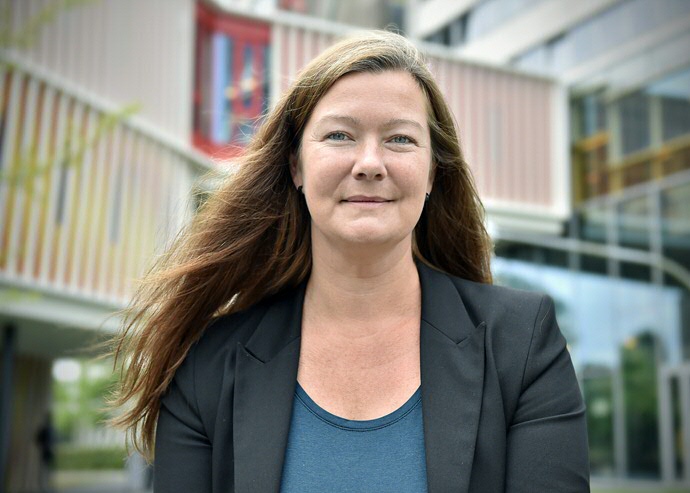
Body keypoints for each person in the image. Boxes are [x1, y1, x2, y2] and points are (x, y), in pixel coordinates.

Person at [111, 30, 589, 492]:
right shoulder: (208, 365)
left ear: (432, 173)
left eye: (400, 139)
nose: (370, 163)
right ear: (296, 166)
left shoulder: (522, 345)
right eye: (340, 135)